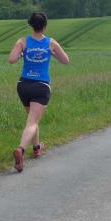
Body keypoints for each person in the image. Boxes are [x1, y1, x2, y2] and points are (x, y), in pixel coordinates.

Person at [8, 12, 70, 173]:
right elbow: (66, 60)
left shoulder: (22, 41)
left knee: (32, 119)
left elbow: (11, 59)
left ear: (31, 25)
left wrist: (22, 53)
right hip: (41, 86)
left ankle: (36, 148)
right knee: (32, 122)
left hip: (23, 85)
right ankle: (21, 149)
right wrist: (53, 53)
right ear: (45, 26)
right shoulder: (51, 42)